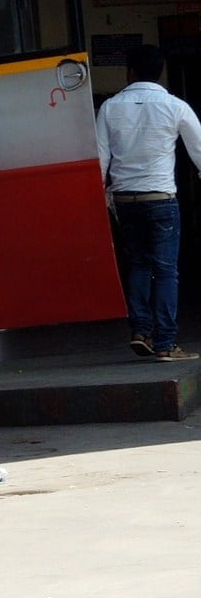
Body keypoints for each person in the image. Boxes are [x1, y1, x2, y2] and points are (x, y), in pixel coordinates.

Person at [96, 43, 201, 361]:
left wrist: (99, 199)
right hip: (161, 199)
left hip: (125, 200)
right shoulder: (175, 106)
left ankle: (140, 331)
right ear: (161, 72)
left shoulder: (110, 107)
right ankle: (166, 343)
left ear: (130, 72)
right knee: (166, 270)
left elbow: (100, 160)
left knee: (139, 264)